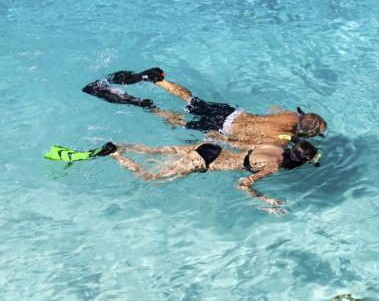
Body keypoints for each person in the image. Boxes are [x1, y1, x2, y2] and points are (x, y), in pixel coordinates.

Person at [45, 138, 321, 210]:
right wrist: (266, 201)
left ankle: (118, 145)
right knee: (148, 178)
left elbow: (240, 146)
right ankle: (113, 154)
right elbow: (242, 183)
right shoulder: (273, 167)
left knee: (153, 151)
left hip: (210, 148)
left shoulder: (275, 146)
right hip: (203, 162)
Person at [82, 68, 327, 148]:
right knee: (178, 120)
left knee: (190, 99)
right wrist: (220, 139)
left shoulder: (287, 116)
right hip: (224, 126)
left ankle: (156, 79)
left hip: (233, 112)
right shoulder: (280, 140)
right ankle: (145, 105)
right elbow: (242, 144)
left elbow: (273, 109)